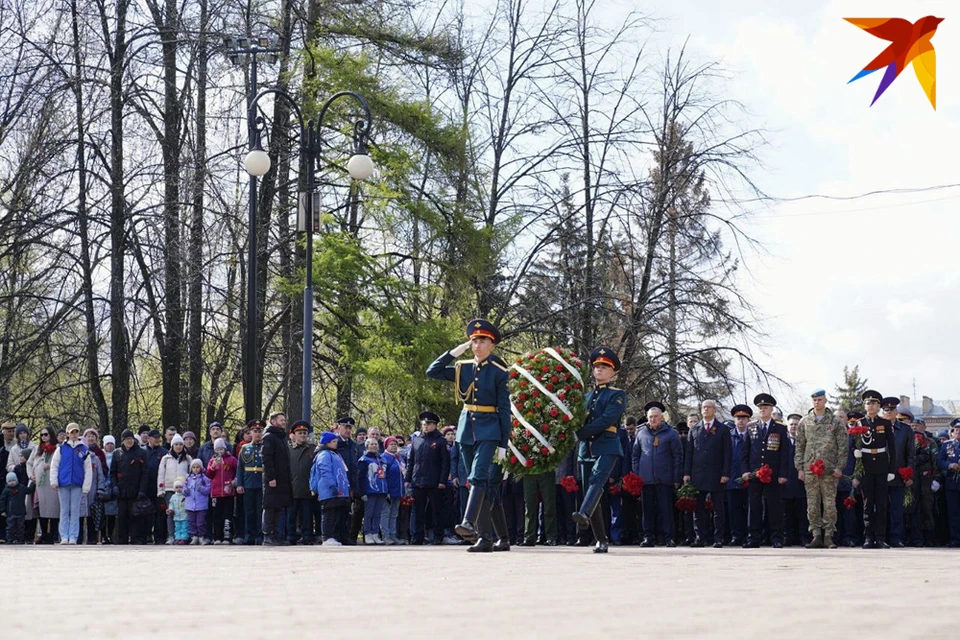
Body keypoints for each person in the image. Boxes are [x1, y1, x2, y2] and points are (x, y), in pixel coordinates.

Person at [426, 318, 511, 552]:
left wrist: (503, 443)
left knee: (477, 477)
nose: (478, 345)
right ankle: (492, 538)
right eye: (474, 341)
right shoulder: (463, 367)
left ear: (492, 345)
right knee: (481, 485)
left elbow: (504, 409)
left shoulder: (499, 371)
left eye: (483, 341)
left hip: (489, 430)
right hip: (466, 430)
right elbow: (432, 371)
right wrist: (454, 352)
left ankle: (469, 523)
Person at [569, 347, 626, 554]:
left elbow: (606, 420)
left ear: (613, 373)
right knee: (590, 494)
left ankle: (583, 514)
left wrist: (580, 434)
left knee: (595, 483)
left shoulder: (617, 395)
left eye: (605, 367)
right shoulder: (585, 397)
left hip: (607, 445)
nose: (599, 370)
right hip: (587, 449)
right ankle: (601, 539)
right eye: (597, 367)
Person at [793, 389, 846, 549]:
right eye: (814, 400)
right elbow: (799, 446)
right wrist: (800, 468)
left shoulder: (835, 421)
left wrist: (839, 467)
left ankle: (829, 536)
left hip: (829, 469)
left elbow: (843, 446)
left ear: (825, 400)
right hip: (810, 469)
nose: (817, 402)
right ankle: (815, 535)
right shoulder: (805, 421)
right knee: (812, 504)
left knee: (829, 503)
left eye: (820, 399)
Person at [741, 393, 790, 549]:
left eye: (766, 407)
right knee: (754, 506)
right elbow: (745, 452)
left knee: (774, 506)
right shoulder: (751, 427)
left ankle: (776, 538)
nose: (763, 410)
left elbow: (785, 453)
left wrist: (783, 474)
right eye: (760, 408)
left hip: (773, 474)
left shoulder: (780, 429)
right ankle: (753, 538)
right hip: (755, 473)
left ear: (771, 409)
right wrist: (745, 471)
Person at [633, 401, 682, 547]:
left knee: (666, 510)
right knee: (647, 510)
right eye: (650, 417)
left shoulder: (671, 433)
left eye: (655, 416)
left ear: (662, 418)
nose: (652, 419)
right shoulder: (641, 433)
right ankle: (648, 537)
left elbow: (678, 457)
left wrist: (676, 477)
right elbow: (635, 455)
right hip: (646, 479)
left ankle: (669, 537)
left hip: (665, 478)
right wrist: (637, 474)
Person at [684, 399, 731, 548]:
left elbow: (727, 454)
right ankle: (700, 537)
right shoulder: (695, 428)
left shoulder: (722, 429)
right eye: (703, 407)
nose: (705, 409)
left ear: (714, 410)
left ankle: (718, 537)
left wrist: (725, 473)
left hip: (716, 474)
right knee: (698, 509)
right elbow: (689, 452)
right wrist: (686, 473)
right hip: (698, 474)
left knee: (718, 509)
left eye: (709, 407)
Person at [855, 389, 897, 549]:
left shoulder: (885, 424)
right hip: (865, 466)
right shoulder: (860, 423)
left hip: (881, 466)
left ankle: (880, 537)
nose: (870, 405)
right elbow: (853, 444)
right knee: (867, 503)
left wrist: (892, 470)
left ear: (878, 405)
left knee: (881, 504)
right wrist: (856, 452)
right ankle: (868, 537)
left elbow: (892, 449)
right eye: (867, 403)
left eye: (873, 403)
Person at [404, 411, 452, 545]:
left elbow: (445, 463)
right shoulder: (417, 440)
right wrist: (408, 479)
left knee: (437, 510)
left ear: (435, 425)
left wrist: (442, 481)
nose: (426, 426)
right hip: (418, 481)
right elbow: (411, 461)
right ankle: (417, 537)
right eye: (424, 424)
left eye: (429, 423)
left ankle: (438, 536)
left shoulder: (440, 441)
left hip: (434, 482)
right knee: (417, 511)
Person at [49, 423, 93, 545]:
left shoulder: (84, 449)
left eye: (76, 432)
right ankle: (64, 536)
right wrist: (54, 481)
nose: (74, 434)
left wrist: (86, 486)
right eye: (72, 432)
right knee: (64, 510)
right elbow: (54, 466)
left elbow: (88, 469)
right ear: (67, 434)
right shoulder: (61, 449)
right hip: (63, 483)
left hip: (77, 484)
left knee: (75, 511)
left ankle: (73, 536)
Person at [882, 397, 916, 547]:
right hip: (880, 474)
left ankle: (896, 538)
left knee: (896, 509)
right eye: (886, 410)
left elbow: (911, 454)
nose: (889, 412)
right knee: (880, 508)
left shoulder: (905, 429)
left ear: (896, 411)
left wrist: (908, 474)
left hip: (898, 474)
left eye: (892, 409)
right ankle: (880, 537)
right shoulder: (877, 427)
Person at [310, 431, 351, 546]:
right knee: (329, 514)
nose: (336, 443)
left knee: (339, 515)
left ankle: (337, 536)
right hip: (329, 490)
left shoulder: (335, 454)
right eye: (333, 442)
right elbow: (325, 471)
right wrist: (332, 485)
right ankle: (327, 537)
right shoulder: (324, 455)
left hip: (340, 491)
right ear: (326, 443)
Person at [112, 429, 149, 545]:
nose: (129, 441)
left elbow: (145, 473)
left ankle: (136, 538)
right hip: (121, 491)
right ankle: (122, 539)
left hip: (136, 490)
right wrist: (114, 486)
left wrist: (142, 490)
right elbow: (112, 472)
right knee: (122, 516)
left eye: (131, 439)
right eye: (127, 439)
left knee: (135, 516)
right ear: (122, 441)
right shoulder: (117, 453)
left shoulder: (141, 453)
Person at [261, 412, 292, 546]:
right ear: (273, 421)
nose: (284, 422)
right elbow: (267, 459)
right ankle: (268, 536)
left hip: (283, 479)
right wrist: (271, 478)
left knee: (280, 507)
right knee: (270, 508)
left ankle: (278, 536)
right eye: (281, 420)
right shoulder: (269, 437)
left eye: (284, 420)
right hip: (273, 480)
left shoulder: (281, 438)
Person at [725, 404, 752, 546]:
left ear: (748, 420)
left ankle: (749, 535)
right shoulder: (728, 436)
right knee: (733, 509)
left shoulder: (753, 435)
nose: (740, 421)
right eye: (738, 418)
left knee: (749, 509)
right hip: (732, 477)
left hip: (749, 478)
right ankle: (736, 535)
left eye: (743, 418)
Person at [27, 427, 60, 544]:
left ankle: (53, 534)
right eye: (42, 435)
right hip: (40, 485)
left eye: (46, 434)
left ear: (51, 435)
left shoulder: (57, 449)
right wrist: (31, 476)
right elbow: (29, 463)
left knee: (54, 508)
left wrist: (51, 466)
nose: (43, 437)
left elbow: (60, 464)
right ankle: (44, 534)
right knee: (42, 508)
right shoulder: (37, 449)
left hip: (51, 483)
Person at [158, 434, 192, 544]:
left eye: (180, 444)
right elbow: (161, 474)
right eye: (176, 444)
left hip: (184, 491)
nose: (178, 447)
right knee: (170, 513)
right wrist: (160, 490)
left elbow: (191, 474)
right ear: (172, 445)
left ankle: (184, 536)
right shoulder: (166, 458)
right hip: (169, 489)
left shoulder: (187, 458)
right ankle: (171, 536)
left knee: (184, 513)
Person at [782, 413, 810, 547]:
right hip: (786, 480)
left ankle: (803, 537)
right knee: (786, 513)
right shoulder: (783, 441)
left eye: (796, 425)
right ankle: (788, 537)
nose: (793, 427)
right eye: (791, 424)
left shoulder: (806, 441)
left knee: (803, 512)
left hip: (802, 481)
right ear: (787, 426)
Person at [236, 419, 265, 545]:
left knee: (260, 510)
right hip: (248, 483)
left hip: (261, 483)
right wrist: (239, 484)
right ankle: (249, 535)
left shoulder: (265, 447)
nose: (257, 433)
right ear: (250, 432)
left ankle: (260, 535)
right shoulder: (245, 448)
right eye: (255, 431)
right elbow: (240, 468)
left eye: (260, 431)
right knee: (249, 511)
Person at [333, 417, 361, 545]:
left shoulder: (353, 445)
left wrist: (355, 487)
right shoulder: (335, 443)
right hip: (338, 482)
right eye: (345, 427)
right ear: (339, 427)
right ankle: (335, 535)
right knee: (336, 511)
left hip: (350, 483)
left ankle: (345, 535)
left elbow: (355, 467)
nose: (348, 430)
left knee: (347, 512)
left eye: (350, 428)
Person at [288, 421, 316, 545]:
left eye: (305, 433)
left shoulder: (312, 449)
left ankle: (307, 536)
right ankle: (290, 536)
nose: (303, 435)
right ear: (294, 435)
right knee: (291, 515)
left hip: (307, 488)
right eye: (300, 433)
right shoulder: (289, 450)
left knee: (307, 516)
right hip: (292, 489)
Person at [205, 438, 237, 544]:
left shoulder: (231, 459)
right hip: (216, 493)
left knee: (227, 515)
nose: (219, 451)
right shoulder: (212, 460)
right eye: (217, 449)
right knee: (216, 515)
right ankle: (217, 537)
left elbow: (238, 470)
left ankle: (227, 537)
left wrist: (234, 481)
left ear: (225, 449)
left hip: (228, 492)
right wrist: (213, 466)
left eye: (221, 449)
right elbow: (208, 474)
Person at [358, 438, 389, 544]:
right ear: (367, 446)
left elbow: (385, 476)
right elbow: (360, 477)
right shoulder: (364, 460)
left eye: (375, 444)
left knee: (377, 514)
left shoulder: (382, 460)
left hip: (381, 491)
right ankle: (367, 534)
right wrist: (362, 492)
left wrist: (386, 490)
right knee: (369, 513)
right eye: (371, 444)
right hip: (369, 491)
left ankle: (375, 533)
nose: (374, 446)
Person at [936, 420, 960, 547]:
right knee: (953, 513)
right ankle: (956, 538)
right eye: (956, 429)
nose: (958, 432)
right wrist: (950, 465)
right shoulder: (947, 445)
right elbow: (939, 461)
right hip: (952, 484)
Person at [143, 429, 168, 544]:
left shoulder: (164, 452)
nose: (158, 439)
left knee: (160, 513)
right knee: (146, 513)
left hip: (160, 487)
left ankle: (159, 538)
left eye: (159, 437)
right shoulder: (142, 452)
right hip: (146, 487)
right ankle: (147, 536)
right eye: (155, 437)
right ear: (149, 438)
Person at [381, 436, 406, 545]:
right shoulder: (384, 458)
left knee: (394, 514)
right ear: (386, 446)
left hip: (398, 491)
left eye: (395, 444)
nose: (394, 446)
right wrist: (385, 491)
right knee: (386, 513)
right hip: (388, 491)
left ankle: (393, 534)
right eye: (391, 444)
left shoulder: (399, 458)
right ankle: (385, 536)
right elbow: (382, 476)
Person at [0, 471, 35, 543]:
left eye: (13, 480)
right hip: (10, 513)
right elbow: (2, 500)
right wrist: (2, 511)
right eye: (9, 481)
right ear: (7, 482)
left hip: (20, 512)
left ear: (16, 480)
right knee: (10, 527)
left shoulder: (21, 488)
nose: (12, 482)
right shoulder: (6, 490)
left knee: (21, 527)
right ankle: (10, 539)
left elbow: (29, 490)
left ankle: (20, 539)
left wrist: (33, 484)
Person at [182, 458, 210, 545]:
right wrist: (185, 491)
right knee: (192, 522)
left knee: (201, 522)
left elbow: (208, 490)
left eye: (198, 467)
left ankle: (201, 536)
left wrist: (201, 488)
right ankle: (194, 537)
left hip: (201, 504)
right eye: (193, 467)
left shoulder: (204, 478)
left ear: (201, 468)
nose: (196, 469)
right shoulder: (188, 478)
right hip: (190, 505)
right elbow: (184, 489)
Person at [166, 478, 189, 544]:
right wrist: (170, 510)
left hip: (184, 515)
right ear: (174, 488)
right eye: (176, 487)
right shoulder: (173, 496)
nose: (178, 489)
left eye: (180, 487)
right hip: (176, 516)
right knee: (177, 528)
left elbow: (187, 503)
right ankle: (178, 538)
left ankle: (184, 538)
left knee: (184, 528)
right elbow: (171, 504)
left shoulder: (184, 496)